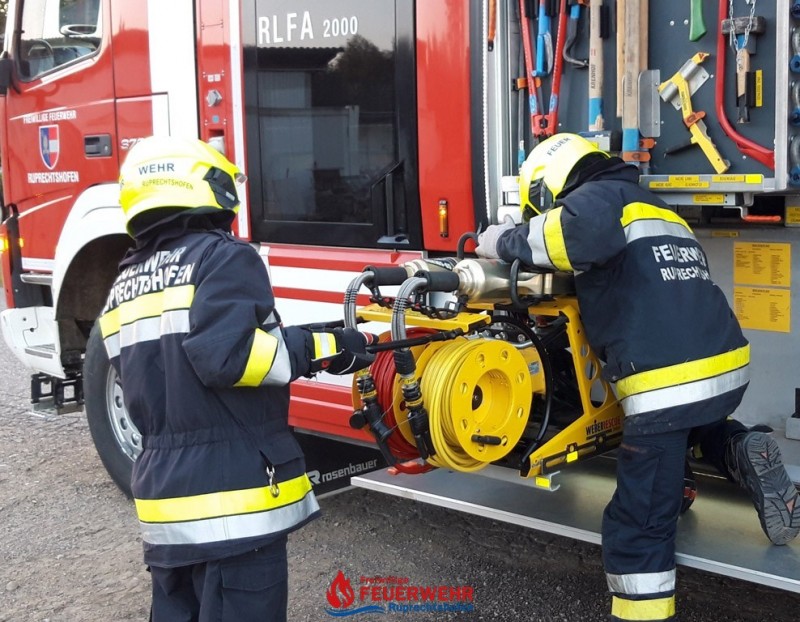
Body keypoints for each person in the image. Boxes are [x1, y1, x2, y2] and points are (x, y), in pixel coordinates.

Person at [476, 133, 800, 622]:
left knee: (640, 519)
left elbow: (568, 237)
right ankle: (738, 447)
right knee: (693, 426)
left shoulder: (595, 201)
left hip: (667, 384)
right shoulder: (655, 208)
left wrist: (500, 239)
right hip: (723, 367)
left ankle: (642, 611)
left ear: (549, 184)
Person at [97, 135, 377, 622]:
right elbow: (228, 357)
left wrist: (302, 338)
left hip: (166, 506)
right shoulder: (222, 257)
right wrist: (324, 348)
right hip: (231, 506)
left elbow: (166, 368)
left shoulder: (124, 284)